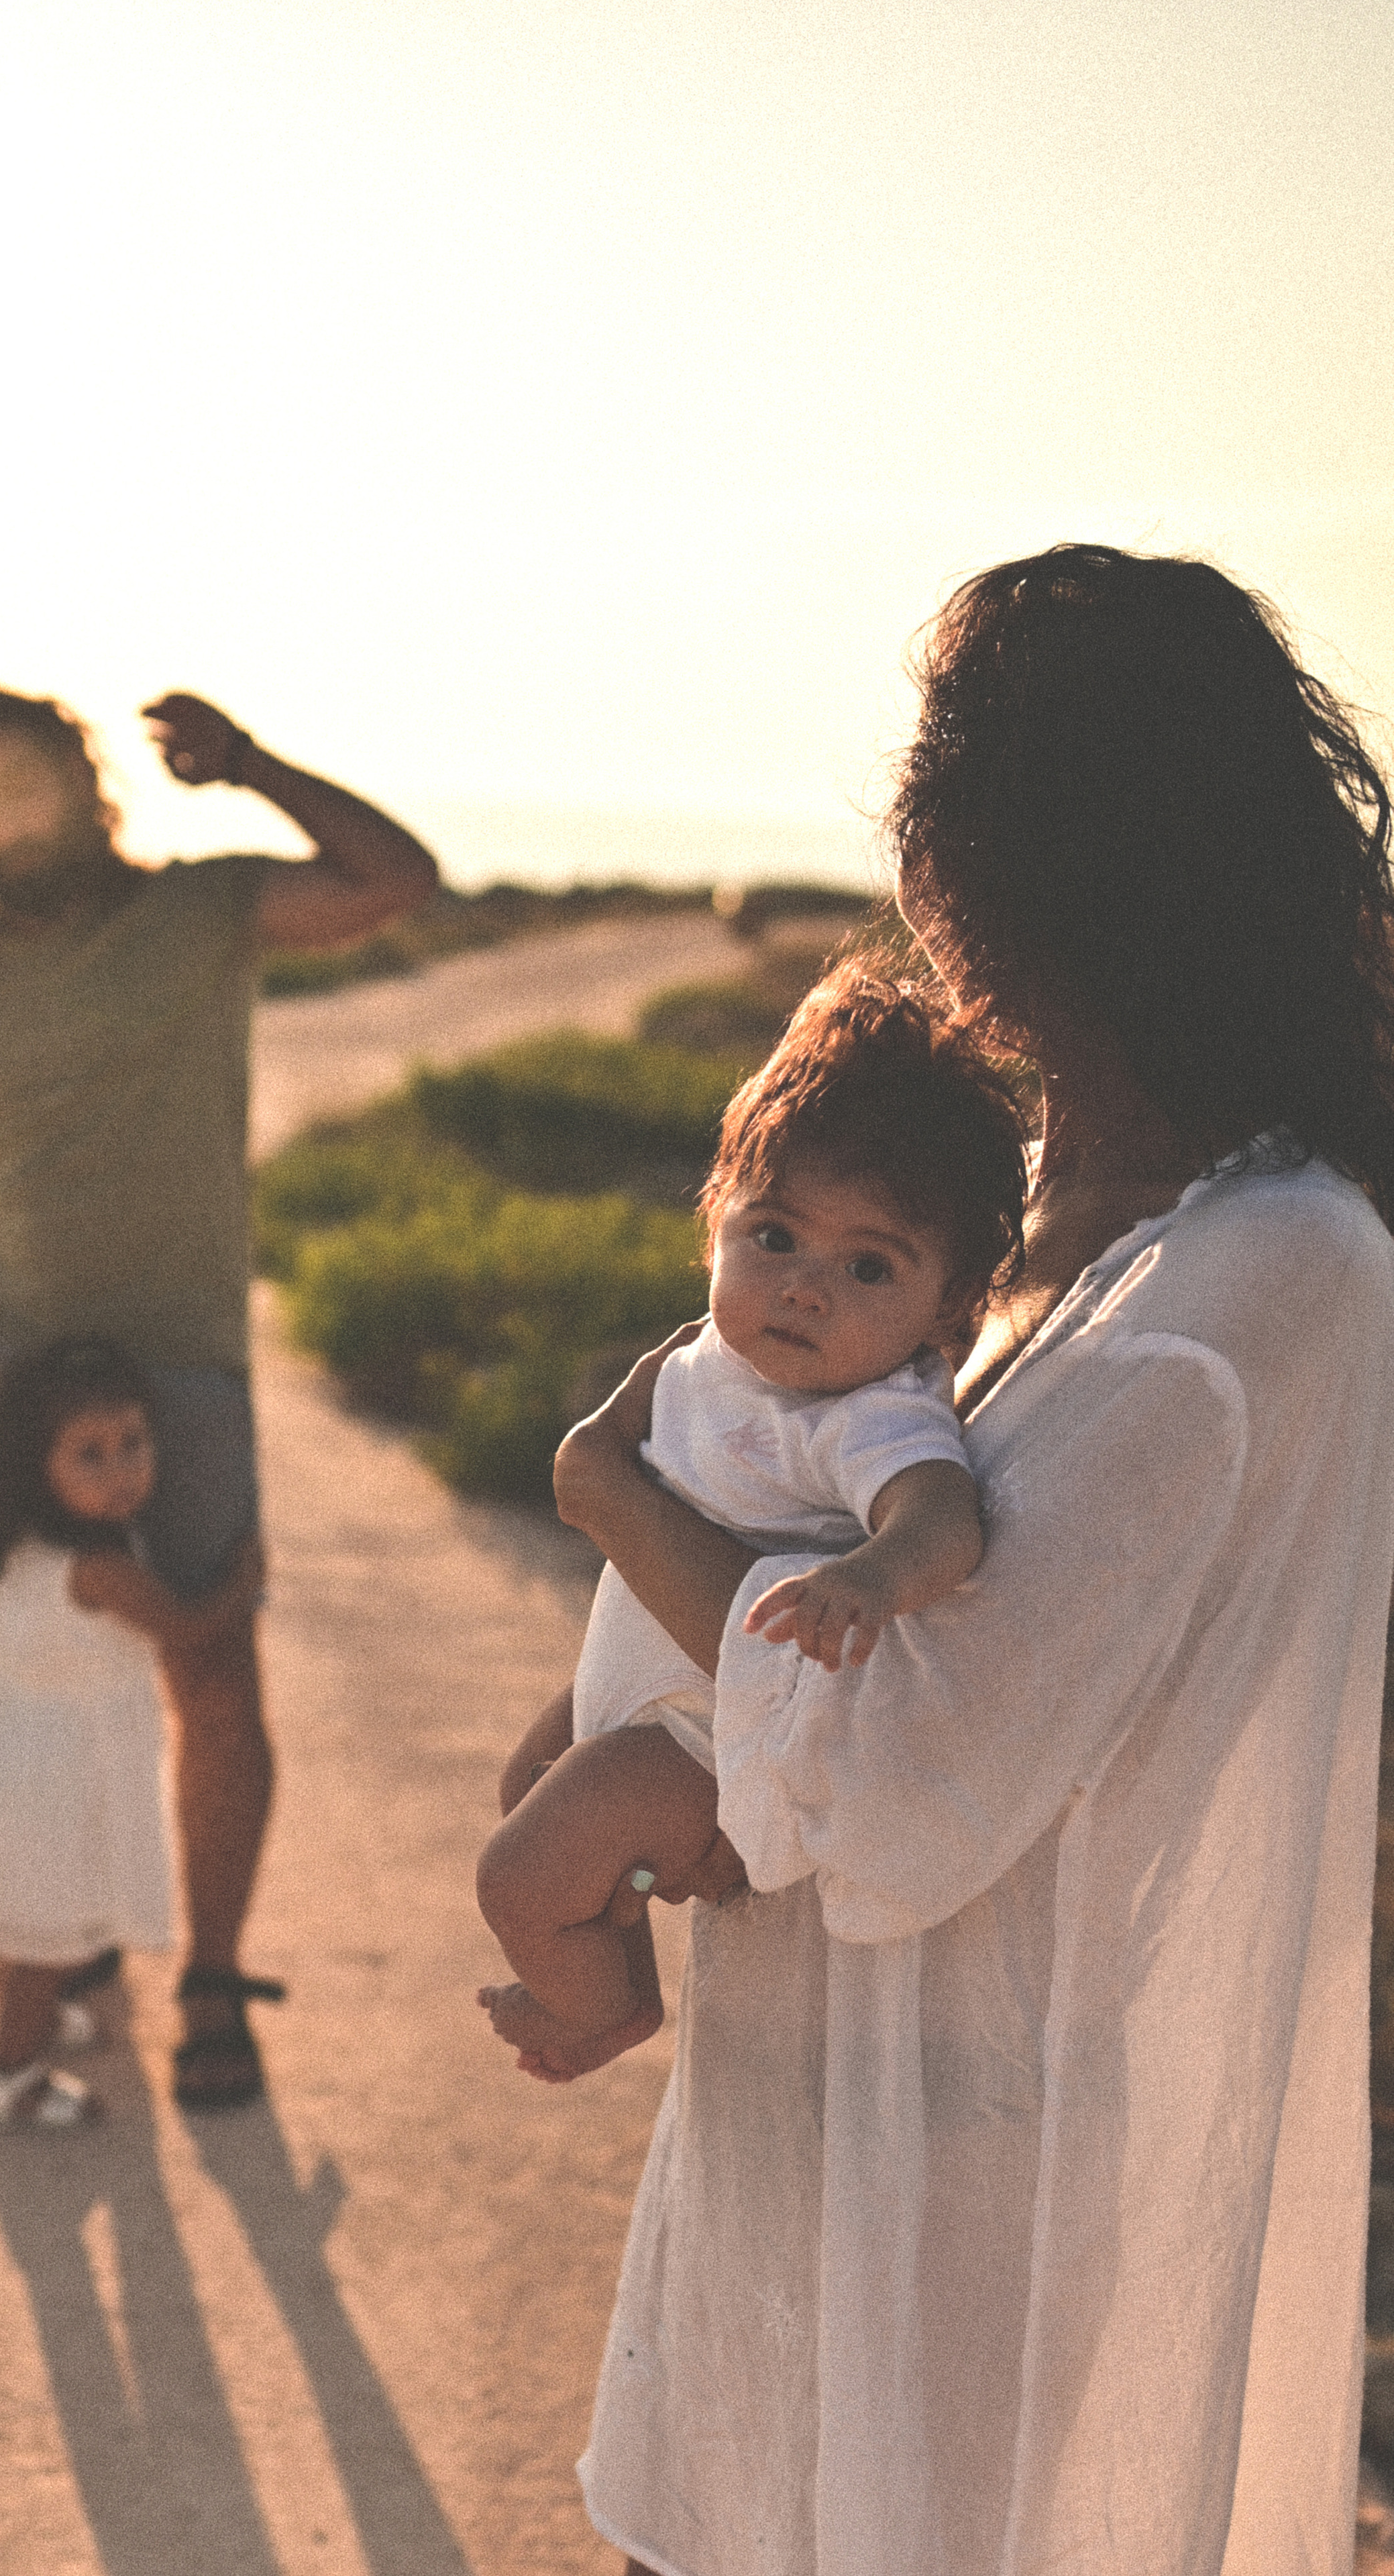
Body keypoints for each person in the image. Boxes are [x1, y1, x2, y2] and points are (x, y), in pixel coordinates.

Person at [534, 546, 1394, 2575]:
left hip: (963, 2176)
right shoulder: (1067, 1214)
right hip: (830, 2131)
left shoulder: (1249, 1276)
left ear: (1004, 859)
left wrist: (612, 1502)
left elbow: (908, 1784)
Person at [0, 684, 438, 2106]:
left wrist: (250, 763)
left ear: (82, 781)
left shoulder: (203, 914)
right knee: (50, 1673)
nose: (6, 818)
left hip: (180, 1365)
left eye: (28, 782)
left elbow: (394, 882)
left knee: (208, 1664)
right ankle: (57, 1947)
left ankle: (207, 1979)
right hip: (16, 1372)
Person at [476, 972, 1026, 2080]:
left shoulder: (870, 1416)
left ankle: (608, 2015)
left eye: (868, 1265)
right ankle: (611, 1933)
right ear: (717, 1215)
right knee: (524, 1790)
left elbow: (943, 1521)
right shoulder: (708, 1359)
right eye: (773, 1236)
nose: (806, 1288)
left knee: (516, 1876)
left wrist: (873, 1577)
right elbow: (602, 1453)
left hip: (712, 1733)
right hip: (649, 1676)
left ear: (956, 1308)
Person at [0, 1336, 262, 2129]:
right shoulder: (98, 1568)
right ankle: (11, 2075)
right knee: (47, 1930)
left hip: (30, 1756)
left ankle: (20, 2010)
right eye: (90, 1455)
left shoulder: (18, 1543)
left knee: (33, 1911)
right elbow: (184, 1626)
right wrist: (240, 1581)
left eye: (133, 1445)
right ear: (36, 1464)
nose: (122, 1473)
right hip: (67, 1771)